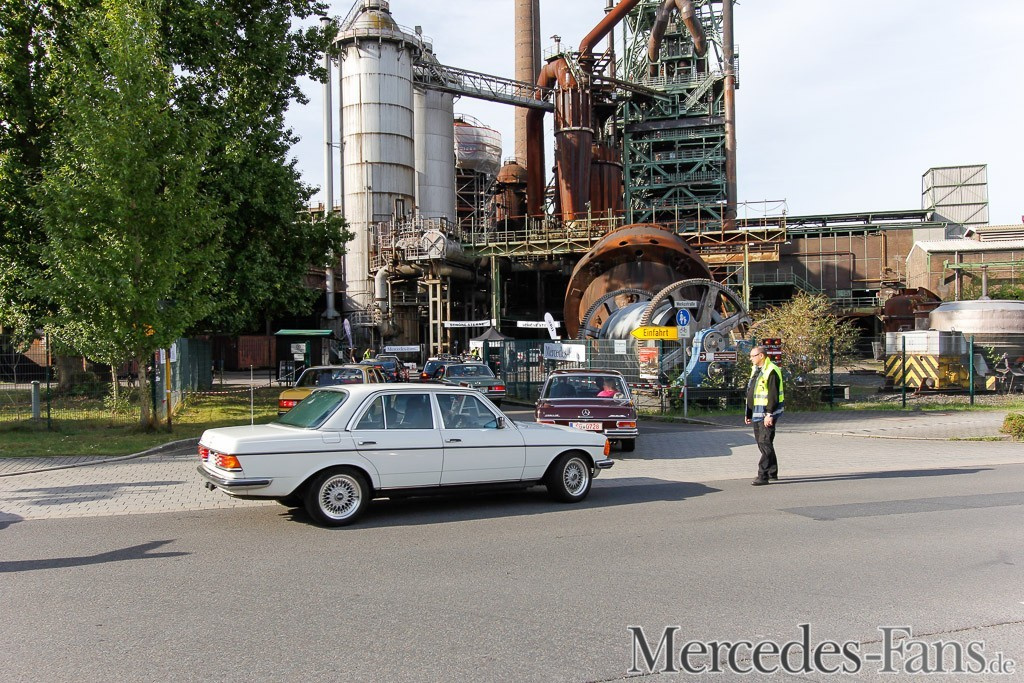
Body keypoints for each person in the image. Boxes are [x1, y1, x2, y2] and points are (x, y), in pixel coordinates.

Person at [745, 345, 784, 486]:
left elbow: (773, 395)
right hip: (757, 412)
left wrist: (769, 414)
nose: (751, 359)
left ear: (761, 356)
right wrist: (748, 412)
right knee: (762, 443)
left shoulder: (771, 370)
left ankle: (763, 475)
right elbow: (753, 392)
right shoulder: (757, 369)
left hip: (766, 414)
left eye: (753, 356)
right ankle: (772, 472)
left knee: (764, 442)